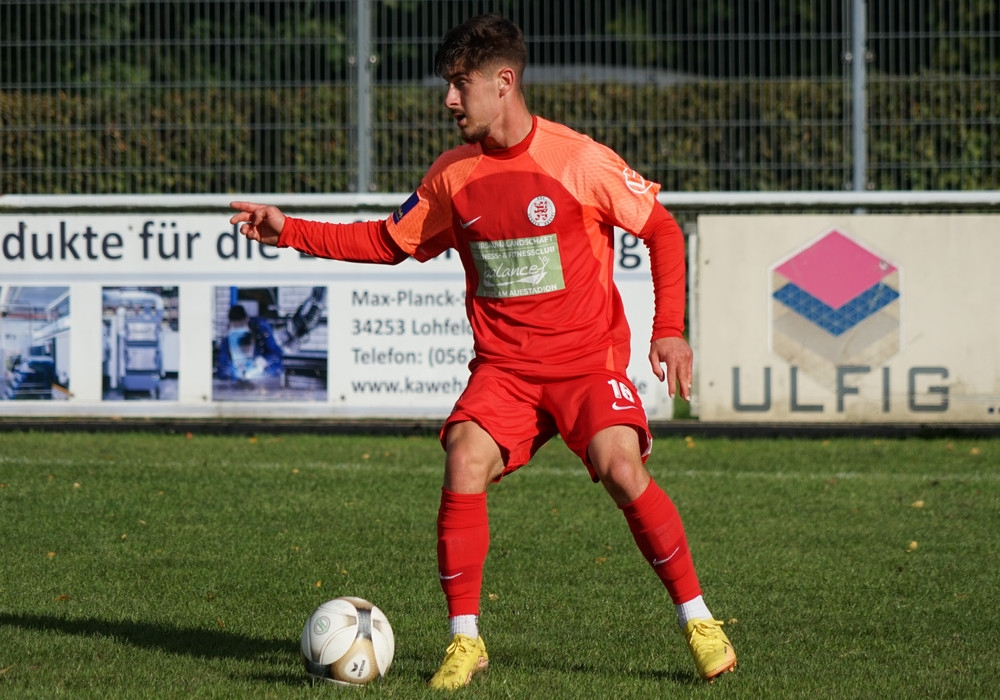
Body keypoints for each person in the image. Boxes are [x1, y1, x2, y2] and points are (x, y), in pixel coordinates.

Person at [230, 14, 736, 690]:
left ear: (503, 82)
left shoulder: (577, 159)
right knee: (464, 458)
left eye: (459, 84)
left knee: (621, 467)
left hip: (586, 364)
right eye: (447, 85)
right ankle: (465, 640)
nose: (448, 100)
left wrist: (667, 328)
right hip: (506, 372)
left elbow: (663, 230)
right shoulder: (452, 176)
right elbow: (386, 242)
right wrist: (288, 229)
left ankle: (699, 620)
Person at [215, 304, 283, 381]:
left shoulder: (260, 328)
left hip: (266, 376)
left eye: (241, 325)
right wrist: (231, 368)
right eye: (236, 327)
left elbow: (277, 353)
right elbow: (221, 370)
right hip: (243, 379)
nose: (239, 330)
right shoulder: (227, 339)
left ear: (246, 319)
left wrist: (264, 360)